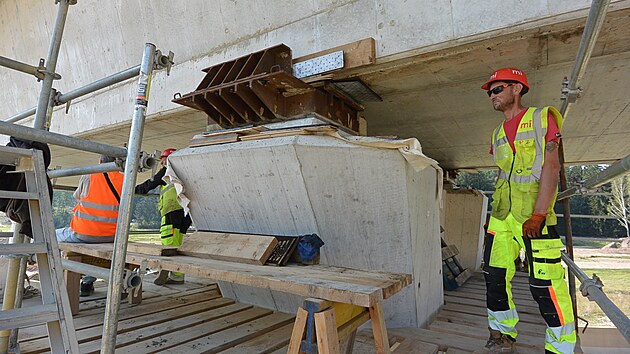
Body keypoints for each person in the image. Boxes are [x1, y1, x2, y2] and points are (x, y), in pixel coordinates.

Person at [476, 68, 576, 354]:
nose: (491, 96)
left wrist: (539, 213)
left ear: (516, 88)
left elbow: (551, 166)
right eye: (489, 92)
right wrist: (493, 219)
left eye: (496, 89)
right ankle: (502, 336)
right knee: (494, 278)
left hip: (534, 216)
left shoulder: (540, 118)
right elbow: (504, 176)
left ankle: (560, 349)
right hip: (501, 218)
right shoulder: (497, 132)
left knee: (545, 286)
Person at [55, 154, 124, 296]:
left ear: (100, 162)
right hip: (112, 236)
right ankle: (87, 282)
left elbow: (78, 196)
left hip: (83, 234)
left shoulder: (89, 176)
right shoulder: (124, 179)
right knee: (94, 253)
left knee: (48, 234)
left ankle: (54, 276)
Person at [135, 148, 192, 285]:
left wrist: (131, 189)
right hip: (184, 210)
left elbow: (149, 184)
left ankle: (166, 269)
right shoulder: (185, 171)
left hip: (171, 211)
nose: (161, 163)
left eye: (163, 159)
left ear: (168, 159)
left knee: (169, 243)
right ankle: (177, 276)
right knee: (178, 243)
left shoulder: (168, 170)